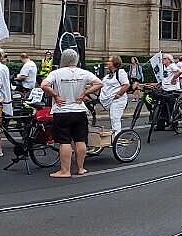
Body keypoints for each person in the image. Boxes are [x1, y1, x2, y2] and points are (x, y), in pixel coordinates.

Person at [41, 48, 103, 178]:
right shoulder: (84, 72)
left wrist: (56, 95)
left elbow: (44, 85)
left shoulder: (56, 73)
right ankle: (81, 168)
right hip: (79, 110)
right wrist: (85, 93)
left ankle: (65, 170)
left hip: (62, 110)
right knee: (80, 140)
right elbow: (99, 83)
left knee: (65, 141)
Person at [100, 56, 131, 135]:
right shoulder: (109, 75)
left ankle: (117, 138)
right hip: (110, 100)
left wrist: (118, 94)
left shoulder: (120, 72)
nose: (107, 63)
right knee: (113, 119)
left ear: (115, 63)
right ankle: (115, 137)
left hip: (118, 101)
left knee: (115, 118)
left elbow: (126, 85)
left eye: (109, 61)